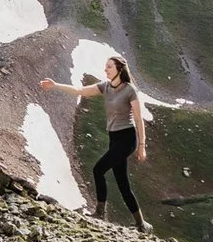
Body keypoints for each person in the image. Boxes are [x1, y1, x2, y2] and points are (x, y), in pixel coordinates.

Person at [40, 56, 148, 229]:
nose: (105, 70)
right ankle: (141, 224)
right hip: (114, 138)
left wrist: (142, 146)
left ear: (119, 69)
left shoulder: (129, 90)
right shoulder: (105, 87)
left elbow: (138, 118)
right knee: (123, 184)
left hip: (128, 138)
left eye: (109, 67)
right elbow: (79, 90)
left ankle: (100, 213)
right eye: (106, 67)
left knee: (98, 169)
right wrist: (55, 86)